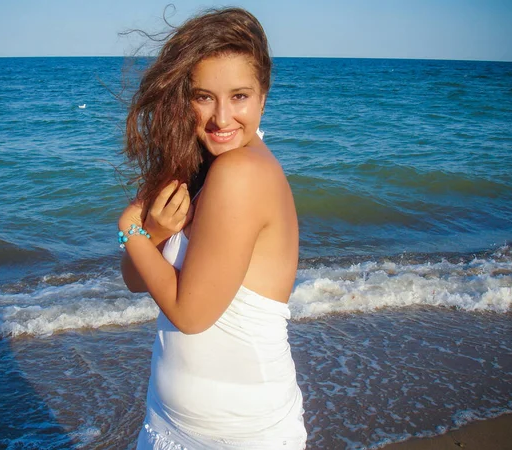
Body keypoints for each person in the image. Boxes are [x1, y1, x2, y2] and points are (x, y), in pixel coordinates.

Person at [118, 7, 307, 449]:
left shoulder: (241, 172)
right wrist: (155, 233)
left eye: (239, 96)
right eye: (204, 96)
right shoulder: (197, 163)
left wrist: (129, 226)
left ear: (263, 96)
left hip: (238, 435)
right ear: (184, 96)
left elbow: (190, 315)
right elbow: (134, 278)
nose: (222, 119)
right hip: (165, 424)